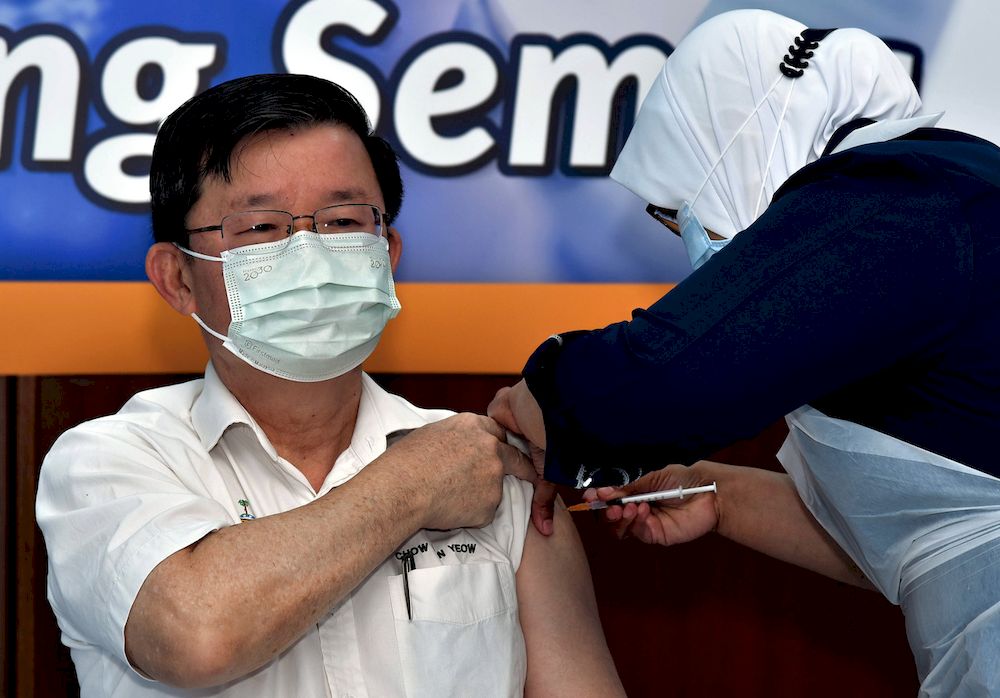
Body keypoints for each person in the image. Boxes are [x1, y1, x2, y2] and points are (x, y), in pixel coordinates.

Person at [35, 73, 624, 697]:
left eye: (343, 220)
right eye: (260, 227)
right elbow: (196, 634)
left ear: (387, 256)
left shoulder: (491, 467)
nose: (310, 254)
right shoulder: (109, 461)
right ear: (178, 278)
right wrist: (414, 486)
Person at [488, 9, 1000, 696]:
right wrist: (717, 494)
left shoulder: (906, 199)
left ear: (746, 141)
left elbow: (661, 382)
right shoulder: (934, 212)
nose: (690, 242)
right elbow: (927, 542)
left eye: (681, 212)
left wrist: (542, 402)